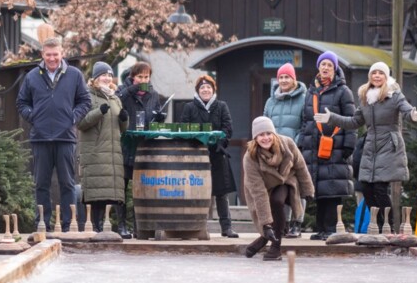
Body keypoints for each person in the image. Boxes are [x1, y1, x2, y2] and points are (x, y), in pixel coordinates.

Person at [315, 61, 417, 231]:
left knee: (380, 188)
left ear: (386, 76)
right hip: (371, 146)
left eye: (381, 73)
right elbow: (354, 121)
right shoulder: (366, 97)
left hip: (389, 145)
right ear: (370, 76)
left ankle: (390, 227)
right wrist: (332, 118)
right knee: (366, 188)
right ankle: (379, 225)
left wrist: (413, 115)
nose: (377, 76)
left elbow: (406, 110)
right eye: (374, 73)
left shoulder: (394, 94)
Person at [16, 37, 91, 231]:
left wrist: (73, 117)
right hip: (40, 137)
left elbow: (85, 101)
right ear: (42, 54)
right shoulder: (32, 76)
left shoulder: (74, 75)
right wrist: (33, 117)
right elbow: (21, 102)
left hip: (65, 136)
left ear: (62, 54)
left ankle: (68, 224)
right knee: (41, 183)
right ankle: (42, 222)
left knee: (67, 183)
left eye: (55, 55)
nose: (52, 59)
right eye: (48, 55)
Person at [297, 51, 356, 239]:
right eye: (323, 64)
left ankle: (330, 229)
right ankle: (320, 228)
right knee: (319, 191)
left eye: (329, 65)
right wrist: (302, 143)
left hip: (335, 148)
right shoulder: (311, 91)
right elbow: (305, 121)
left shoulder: (343, 91)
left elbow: (351, 119)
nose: (325, 68)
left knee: (332, 191)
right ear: (318, 67)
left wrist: (349, 144)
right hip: (314, 148)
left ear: (335, 69)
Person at [242, 117, 315, 261]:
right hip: (263, 187)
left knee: (277, 201)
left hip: (286, 179)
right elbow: (259, 192)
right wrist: (266, 225)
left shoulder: (287, 144)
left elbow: (301, 167)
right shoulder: (250, 158)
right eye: (261, 135)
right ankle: (263, 239)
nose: (266, 138)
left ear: (274, 134)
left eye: (269, 133)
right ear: (255, 138)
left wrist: (308, 189)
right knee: (271, 206)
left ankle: (275, 248)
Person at [179, 74, 239, 238]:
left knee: (221, 193)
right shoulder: (189, 107)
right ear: (198, 90)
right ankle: (196, 227)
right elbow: (184, 129)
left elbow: (228, 128)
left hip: (217, 154)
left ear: (213, 90)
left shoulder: (221, 106)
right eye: (202, 87)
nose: (205, 90)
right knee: (196, 193)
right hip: (196, 156)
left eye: (208, 87)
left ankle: (226, 227)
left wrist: (221, 143)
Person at [117, 60, 166, 238]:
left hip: (145, 147)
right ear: (133, 76)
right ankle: (122, 225)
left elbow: (155, 117)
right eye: (140, 76)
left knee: (142, 187)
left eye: (146, 76)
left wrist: (160, 118)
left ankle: (140, 227)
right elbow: (117, 103)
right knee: (122, 187)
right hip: (125, 144)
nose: (144, 79)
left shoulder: (153, 94)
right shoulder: (124, 92)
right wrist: (131, 89)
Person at [78, 62, 126, 233]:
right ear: (95, 78)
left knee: (108, 195)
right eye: (103, 75)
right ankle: (95, 227)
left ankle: (105, 227)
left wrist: (124, 119)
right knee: (96, 194)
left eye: (109, 75)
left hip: (112, 153)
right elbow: (81, 122)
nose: (106, 78)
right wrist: (99, 111)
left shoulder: (115, 98)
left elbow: (122, 129)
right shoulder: (87, 96)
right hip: (95, 152)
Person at [262, 62, 308, 237]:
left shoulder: (304, 98)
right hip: (274, 153)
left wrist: (295, 146)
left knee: (296, 188)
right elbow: (265, 124)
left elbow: (305, 125)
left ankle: (298, 223)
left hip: (294, 151)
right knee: (278, 189)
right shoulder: (270, 101)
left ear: (293, 79)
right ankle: (284, 224)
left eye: (287, 77)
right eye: (281, 77)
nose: (283, 80)